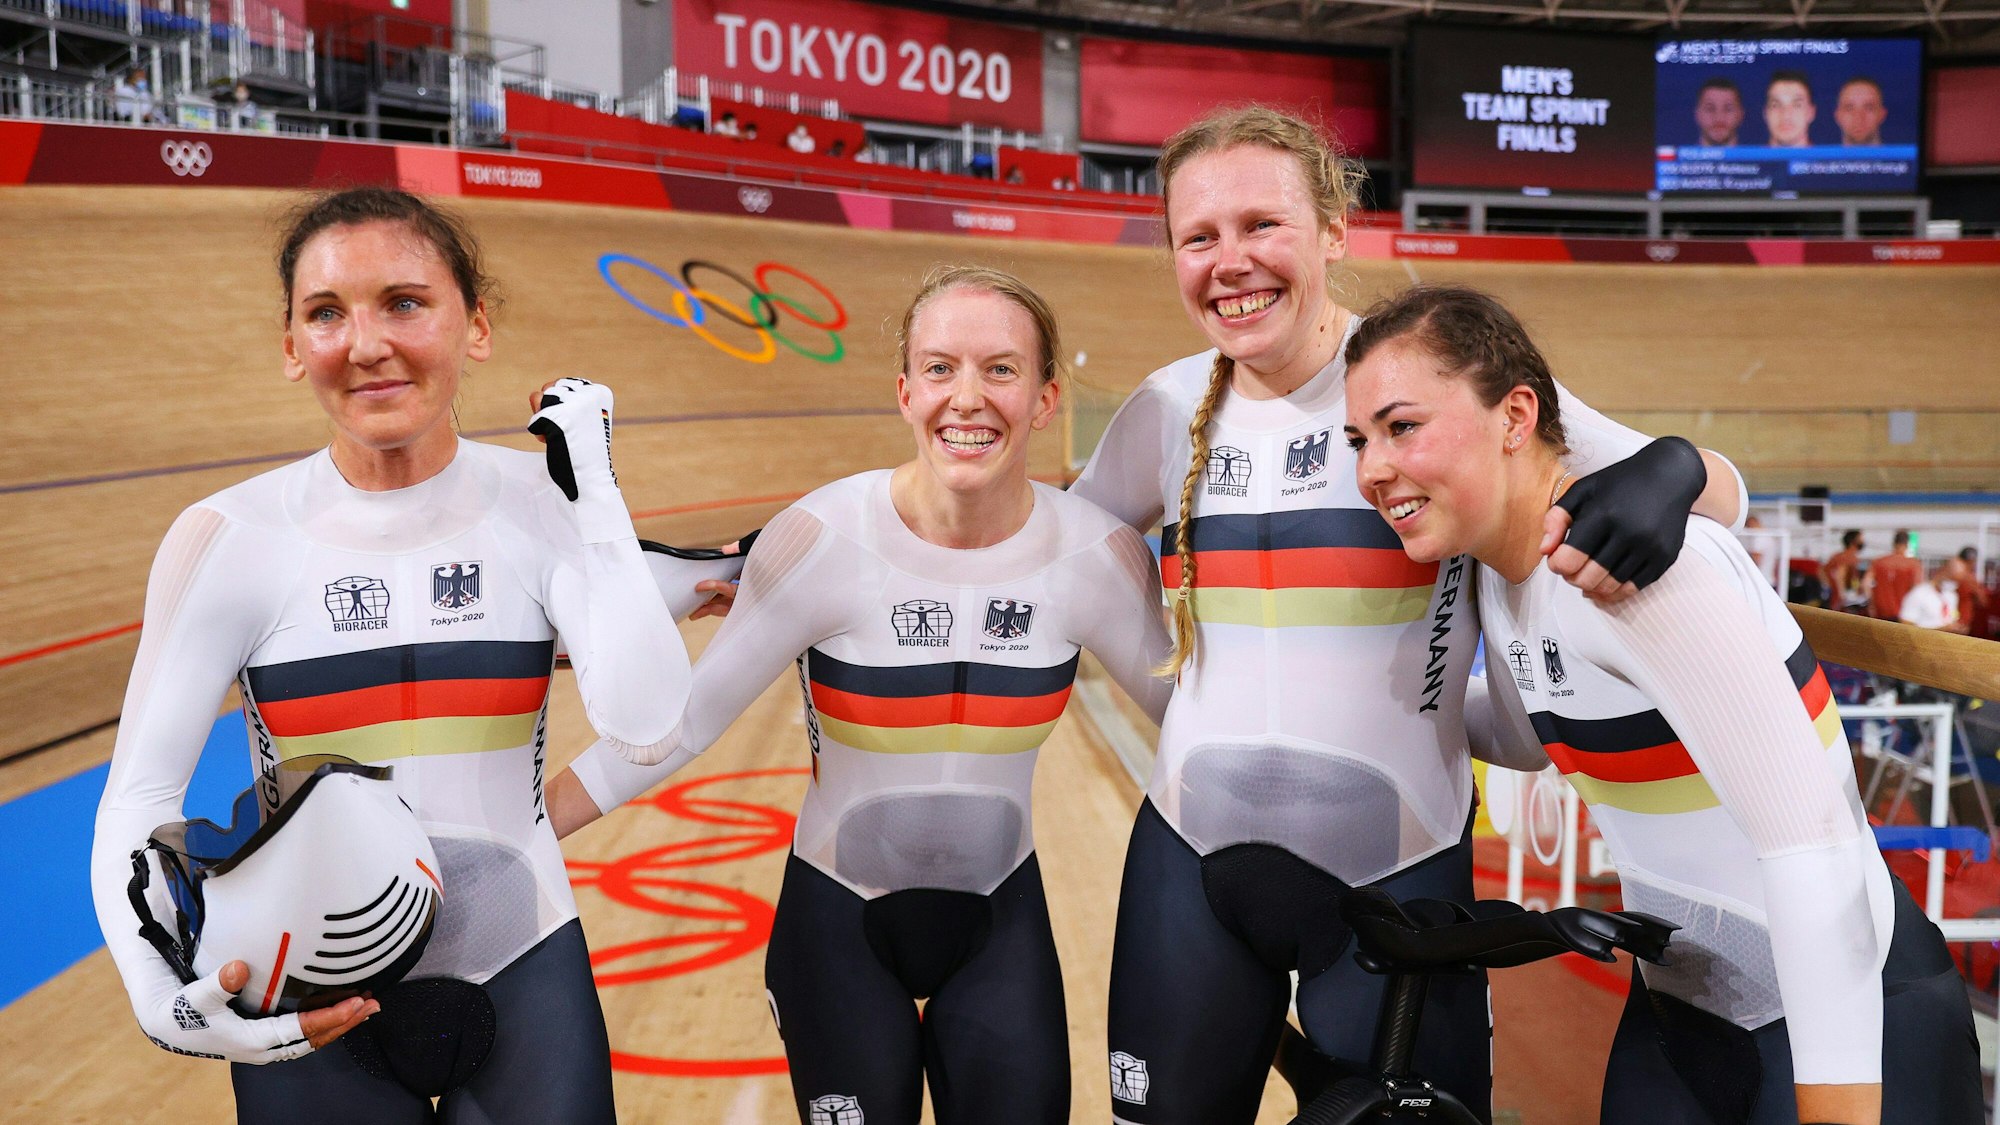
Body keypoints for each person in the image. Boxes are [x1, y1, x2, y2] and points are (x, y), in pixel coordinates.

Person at [1072, 106, 1748, 1125]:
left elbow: (1724, 493)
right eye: (1196, 237)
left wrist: (1673, 467)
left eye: (1261, 224)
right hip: (1186, 869)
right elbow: (1051, 553)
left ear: (1335, 232)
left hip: (1392, 876)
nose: (1229, 261)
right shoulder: (1166, 406)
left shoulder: (1430, 387)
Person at [88, 186, 691, 1124]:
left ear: (475, 325)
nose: (366, 343)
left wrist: (597, 500)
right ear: (293, 347)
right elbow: (139, 795)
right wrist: (148, 984)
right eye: (326, 313)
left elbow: (647, 722)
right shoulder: (227, 537)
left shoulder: (547, 503)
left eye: (405, 302)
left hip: (519, 962)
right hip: (306, 1002)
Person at [1343, 283, 1981, 1125]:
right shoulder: (1502, 575)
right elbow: (1539, 734)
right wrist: (1370, 713)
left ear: (1515, 416)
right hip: (1684, 1013)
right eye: (1359, 439)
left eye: (1402, 426)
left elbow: (1812, 847)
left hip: (1851, 1016)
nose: (1371, 469)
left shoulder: (1641, 569)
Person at [551, 265, 1174, 1125]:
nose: (967, 397)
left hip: (1001, 924)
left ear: (1045, 399)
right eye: (940, 368)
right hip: (838, 925)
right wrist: (515, 833)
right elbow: (677, 727)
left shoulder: (1097, 558)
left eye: (1000, 369)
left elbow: (1196, 726)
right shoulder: (820, 538)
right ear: (905, 391)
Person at [1898, 557, 1971, 634]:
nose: (1954, 584)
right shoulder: (1919, 593)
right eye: (1952, 579)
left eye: (1957, 581)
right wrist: (1942, 630)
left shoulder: (1952, 595)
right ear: (1942, 570)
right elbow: (1905, 626)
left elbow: (1951, 618)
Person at [1867, 530, 1921, 620]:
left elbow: (1866, 583)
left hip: (1880, 611)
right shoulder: (1913, 564)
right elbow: (1917, 588)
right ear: (1907, 545)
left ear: (1894, 543)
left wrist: (1871, 603)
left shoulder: (1879, 562)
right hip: (1903, 613)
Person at [1764, 70, 1817, 148]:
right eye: (1776, 105)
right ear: (1766, 113)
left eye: (1797, 105)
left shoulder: (1830, 160)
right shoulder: (1747, 160)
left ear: (1811, 113)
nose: (1786, 115)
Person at [1835, 77, 1887, 146]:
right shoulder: (1818, 157)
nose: (1858, 117)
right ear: (1838, 116)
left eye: (1869, 108)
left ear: (1882, 115)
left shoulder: (1904, 156)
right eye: (1849, 108)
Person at [1694, 77, 1744, 146]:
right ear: (1697, 114)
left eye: (1728, 109)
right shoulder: (1677, 155)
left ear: (1740, 114)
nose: (1719, 118)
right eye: (1710, 109)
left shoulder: (1758, 156)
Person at [1826, 529, 1868, 611]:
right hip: (1844, 601)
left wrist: (1829, 586)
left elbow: (1822, 571)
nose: (1863, 541)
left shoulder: (1836, 556)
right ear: (1853, 541)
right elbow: (1841, 575)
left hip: (1834, 598)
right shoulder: (1850, 558)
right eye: (1861, 539)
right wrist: (1843, 594)